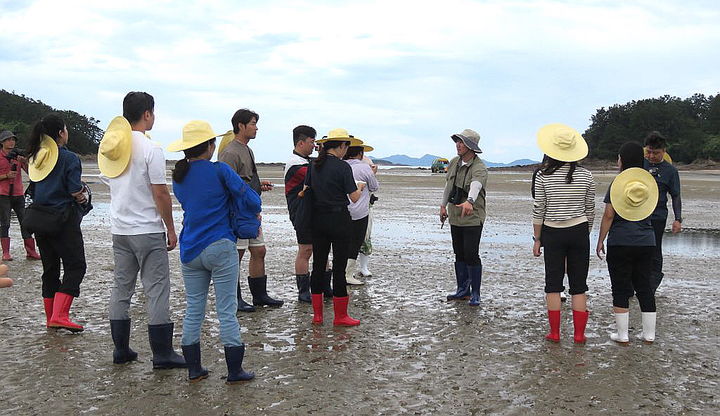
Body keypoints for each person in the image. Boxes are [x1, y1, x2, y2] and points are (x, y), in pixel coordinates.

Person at [98, 91, 185, 368]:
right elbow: (160, 193)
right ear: (147, 113)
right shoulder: (151, 149)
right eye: (153, 112)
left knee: (121, 288)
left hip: (120, 229)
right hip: (146, 229)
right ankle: (162, 354)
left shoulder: (112, 148)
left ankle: (120, 350)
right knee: (157, 289)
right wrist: (170, 229)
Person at [170, 120, 259, 383]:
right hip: (220, 245)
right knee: (226, 311)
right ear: (210, 146)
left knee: (194, 308)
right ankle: (234, 371)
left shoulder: (180, 177)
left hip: (190, 249)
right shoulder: (220, 170)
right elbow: (251, 201)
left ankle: (194, 369)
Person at [532, 124, 595, 343]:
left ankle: (555, 332)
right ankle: (579, 334)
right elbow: (590, 208)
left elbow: (539, 208)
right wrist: (585, 231)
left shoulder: (543, 176)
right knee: (579, 285)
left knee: (553, 283)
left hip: (552, 231)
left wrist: (537, 238)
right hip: (579, 230)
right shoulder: (586, 175)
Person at [27, 114, 87, 331]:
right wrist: (83, 195)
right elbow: (73, 190)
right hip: (63, 219)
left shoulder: (37, 156)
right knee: (76, 265)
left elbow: (34, 189)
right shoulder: (69, 158)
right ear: (61, 133)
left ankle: (51, 317)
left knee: (50, 269)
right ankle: (60, 316)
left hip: (40, 219)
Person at [218, 109, 282, 311]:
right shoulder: (229, 152)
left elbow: (244, 180)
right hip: (237, 213)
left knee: (259, 250)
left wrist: (257, 186)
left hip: (251, 211)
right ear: (240, 125)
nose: (256, 128)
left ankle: (259, 295)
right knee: (235, 255)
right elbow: (226, 184)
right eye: (253, 123)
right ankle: (233, 299)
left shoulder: (247, 150)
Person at [596, 142, 659, 345]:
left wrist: (600, 240)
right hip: (646, 241)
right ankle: (649, 334)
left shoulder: (618, 184)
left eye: (618, 157)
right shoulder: (648, 183)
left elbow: (608, 214)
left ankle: (622, 335)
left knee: (620, 287)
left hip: (620, 241)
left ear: (622, 159)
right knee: (645, 286)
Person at [309, 128, 364, 326]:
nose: (346, 150)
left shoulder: (314, 164)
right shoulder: (342, 167)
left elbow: (307, 190)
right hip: (339, 219)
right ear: (341, 146)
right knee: (339, 268)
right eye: (346, 146)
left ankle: (318, 315)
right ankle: (340, 316)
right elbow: (354, 197)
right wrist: (359, 186)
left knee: (318, 266)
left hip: (318, 219)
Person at [284, 125, 333, 302]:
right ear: (301, 142)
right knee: (305, 250)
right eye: (312, 142)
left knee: (323, 249)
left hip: (315, 211)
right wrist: (326, 154)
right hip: (301, 213)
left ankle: (325, 287)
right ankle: (303, 291)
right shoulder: (295, 164)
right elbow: (317, 176)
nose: (314, 146)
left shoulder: (305, 161)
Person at [440, 129, 488, 306]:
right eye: (457, 141)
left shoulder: (479, 167)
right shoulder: (454, 162)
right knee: (459, 253)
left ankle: (475, 293)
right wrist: (443, 206)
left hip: (472, 217)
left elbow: (476, 185)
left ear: (471, 147)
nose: (458, 145)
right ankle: (462, 290)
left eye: (462, 142)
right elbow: (448, 185)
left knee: (471, 253)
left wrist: (469, 201)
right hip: (455, 216)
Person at [643, 131, 682, 294]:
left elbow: (676, 195)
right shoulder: (639, 165)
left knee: (654, 248)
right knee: (637, 249)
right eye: (649, 152)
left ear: (664, 151)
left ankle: (652, 284)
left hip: (658, 216)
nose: (651, 156)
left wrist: (678, 219)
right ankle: (636, 281)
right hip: (637, 214)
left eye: (656, 153)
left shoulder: (670, 171)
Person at [342, 138, 379, 285]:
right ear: (360, 153)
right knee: (356, 243)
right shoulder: (365, 168)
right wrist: (372, 173)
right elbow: (374, 187)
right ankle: (348, 274)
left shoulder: (341, 165)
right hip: (360, 212)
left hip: (342, 210)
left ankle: (341, 272)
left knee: (341, 243)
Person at [0, 130, 41, 260]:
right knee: (5, 223)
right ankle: (6, 253)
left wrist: (25, 162)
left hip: (18, 194)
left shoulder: (17, 156)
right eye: (8, 140)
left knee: (25, 222)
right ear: (2, 142)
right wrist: (6, 176)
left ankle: (31, 251)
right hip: (3, 194)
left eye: (13, 140)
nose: (11, 142)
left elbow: (32, 173)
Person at [357, 154, 378, 278]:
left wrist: (372, 173)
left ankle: (364, 267)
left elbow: (373, 186)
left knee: (365, 236)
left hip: (365, 204)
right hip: (348, 205)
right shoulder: (343, 162)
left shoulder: (367, 161)